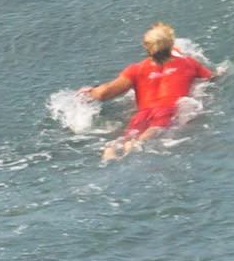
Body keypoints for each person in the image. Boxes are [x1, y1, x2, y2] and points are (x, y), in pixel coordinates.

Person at [79, 21, 215, 160]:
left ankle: (109, 153)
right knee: (153, 131)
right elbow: (210, 78)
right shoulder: (188, 63)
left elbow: (104, 93)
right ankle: (136, 144)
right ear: (171, 44)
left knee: (125, 138)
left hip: (142, 115)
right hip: (167, 111)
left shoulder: (136, 69)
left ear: (147, 47)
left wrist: (92, 91)